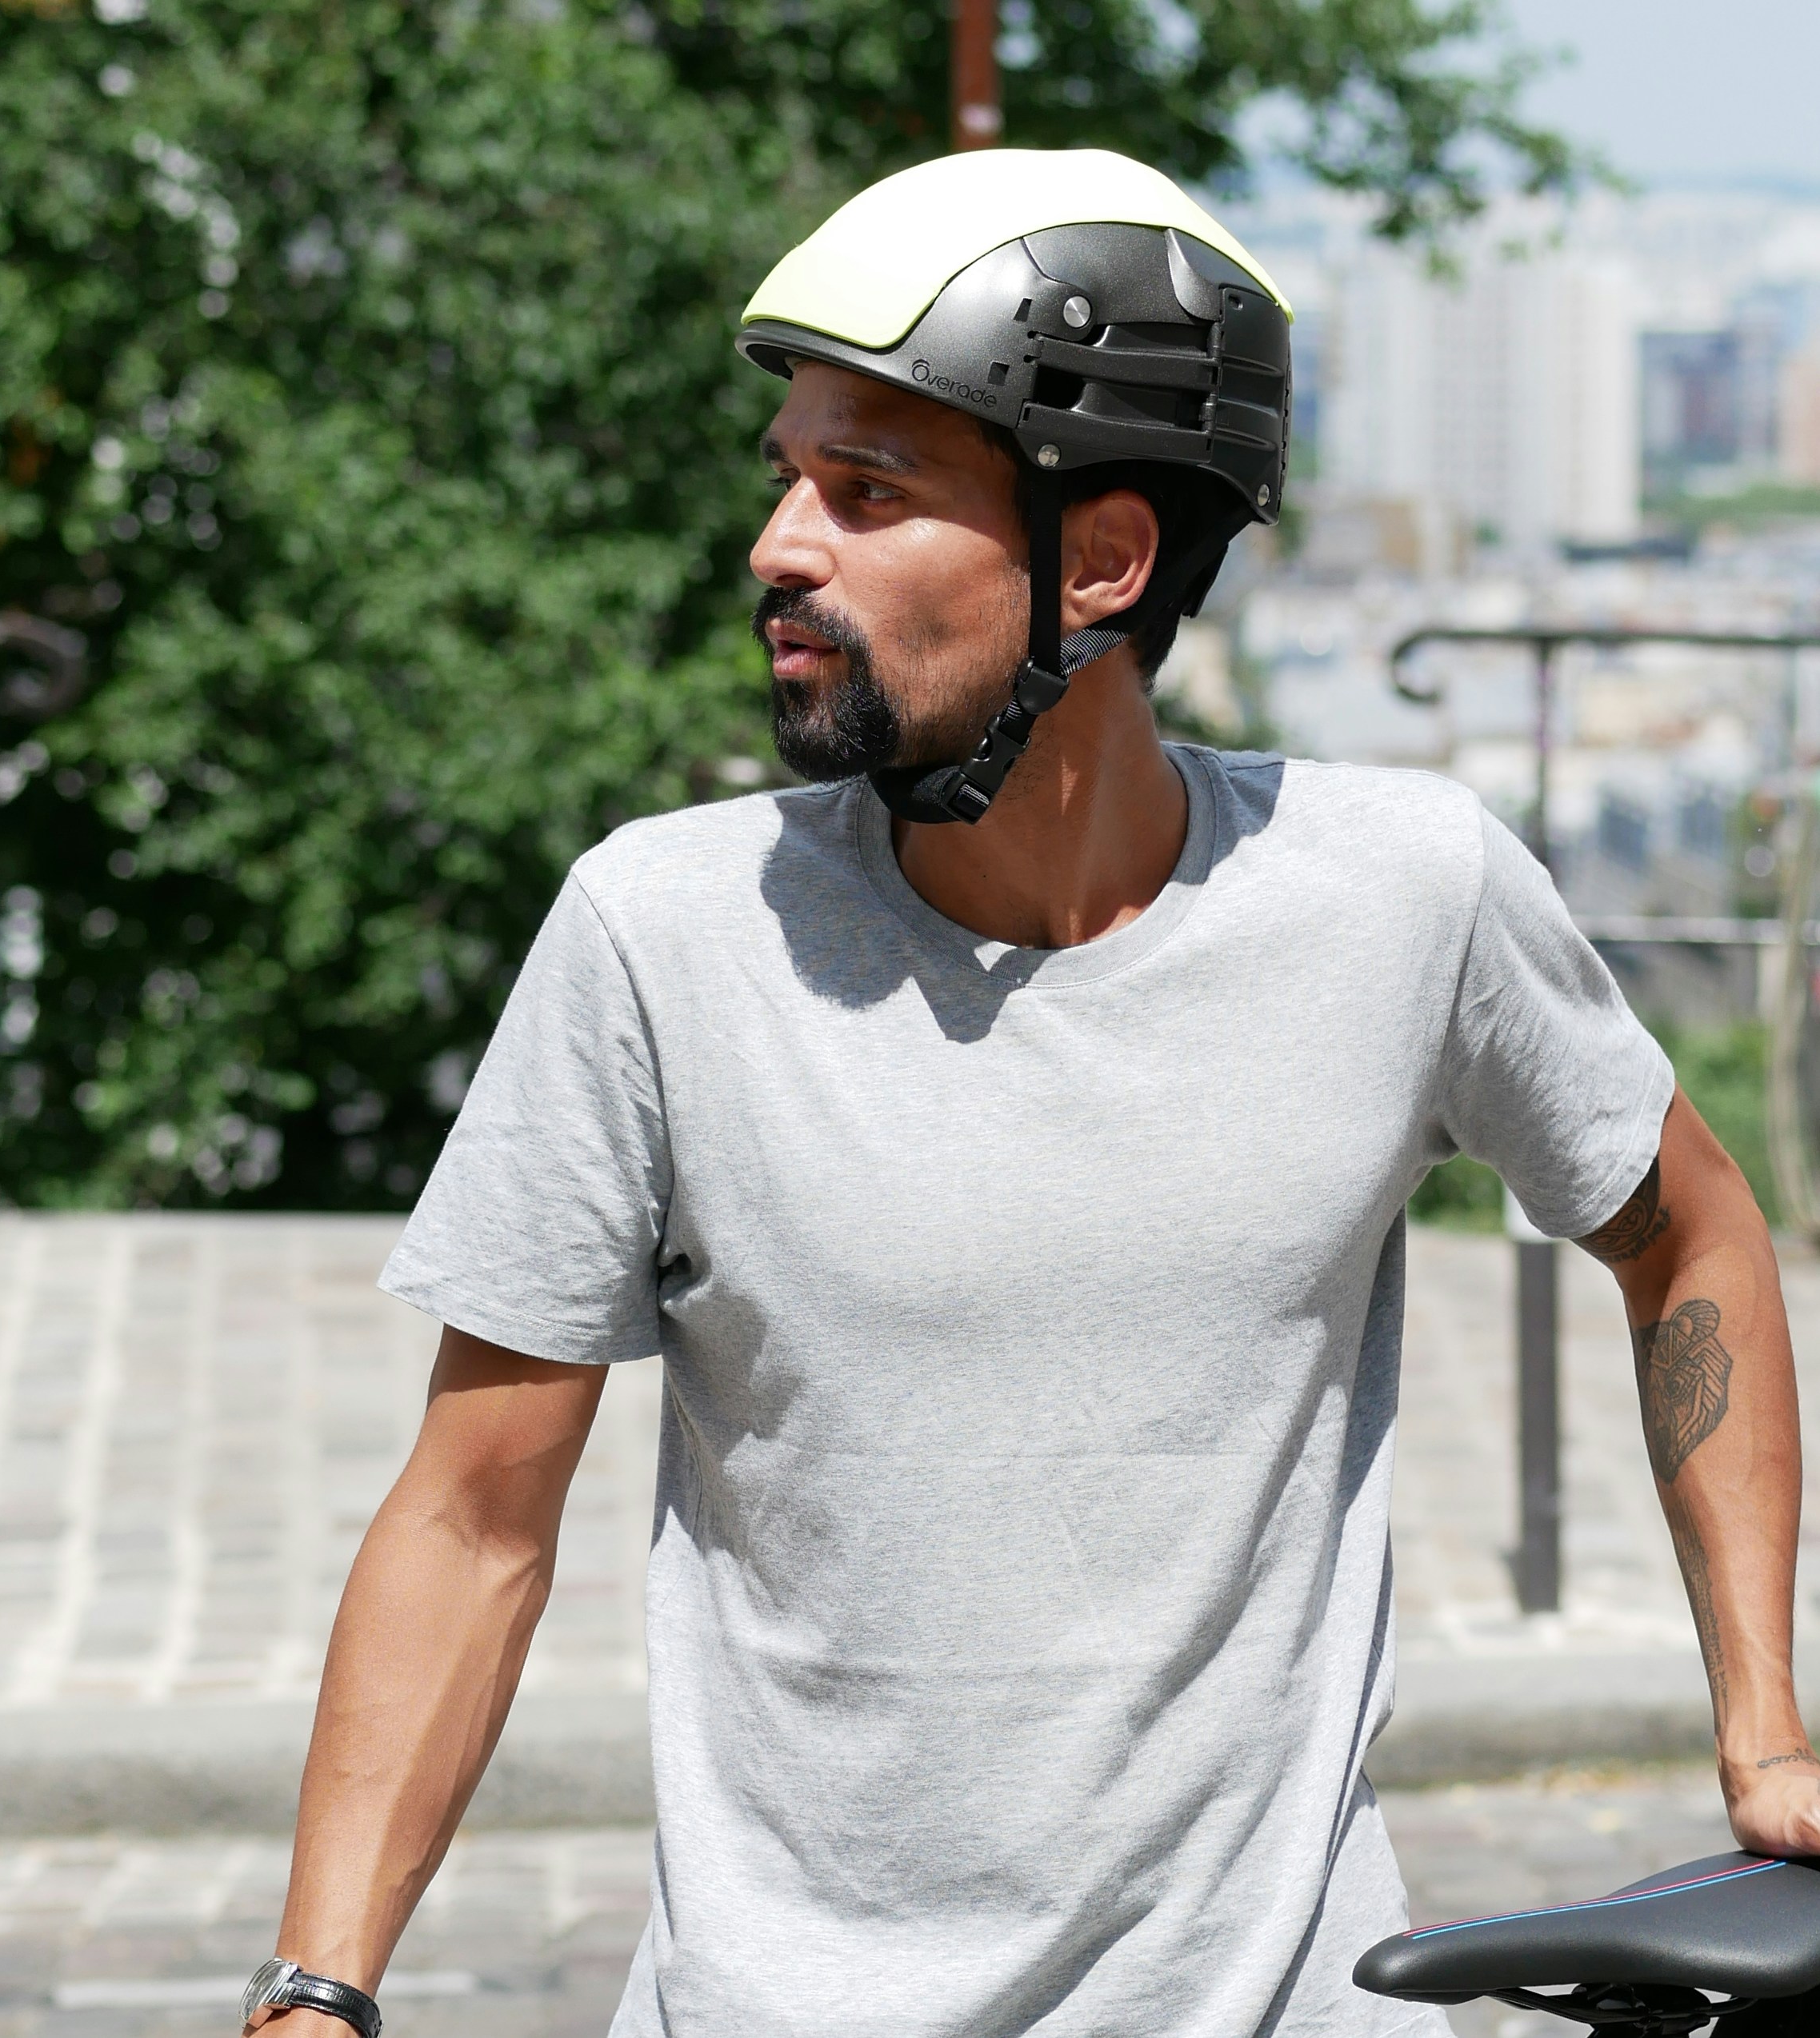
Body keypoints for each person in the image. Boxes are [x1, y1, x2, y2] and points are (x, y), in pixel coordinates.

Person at [242, 150, 1816, 2038]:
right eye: (790, 481)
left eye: (870, 490)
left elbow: (1690, 1227)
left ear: (1100, 558)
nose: (780, 547)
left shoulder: (1408, 891)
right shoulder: (661, 934)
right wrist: (312, 1989)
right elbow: (475, 1514)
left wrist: (1764, 1725)